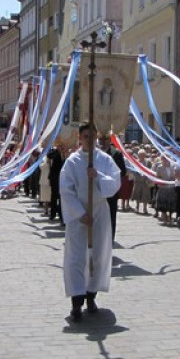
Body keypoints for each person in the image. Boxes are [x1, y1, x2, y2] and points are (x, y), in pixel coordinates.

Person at [60, 123, 122, 321]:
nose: (89, 140)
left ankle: (91, 296)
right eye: (86, 136)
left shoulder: (104, 160)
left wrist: (98, 176)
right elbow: (66, 190)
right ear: (79, 138)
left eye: (92, 136)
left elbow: (114, 183)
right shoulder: (72, 162)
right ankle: (76, 302)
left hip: (99, 213)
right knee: (77, 257)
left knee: (97, 256)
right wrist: (79, 213)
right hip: (79, 216)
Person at [98, 134, 126, 241]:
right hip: (97, 191)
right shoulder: (95, 153)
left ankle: (110, 241)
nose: (102, 141)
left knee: (110, 217)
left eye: (105, 139)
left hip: (111, 192)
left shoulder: (116, 153)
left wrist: (109, 176)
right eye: (100, 139)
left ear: (109, 140)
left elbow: (122, 171)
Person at [153, 155, 177, 225]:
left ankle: (170, 216)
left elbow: (175, 176)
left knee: (171, 203)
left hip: (171, 187)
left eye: (166, 159)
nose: (165, 160)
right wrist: (163, 181)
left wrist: (172, 180)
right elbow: (157, 177)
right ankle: (164, 215)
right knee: (162, 203)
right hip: (163, 187)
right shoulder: (159, 167)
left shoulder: (173, 166)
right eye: (163, 159)